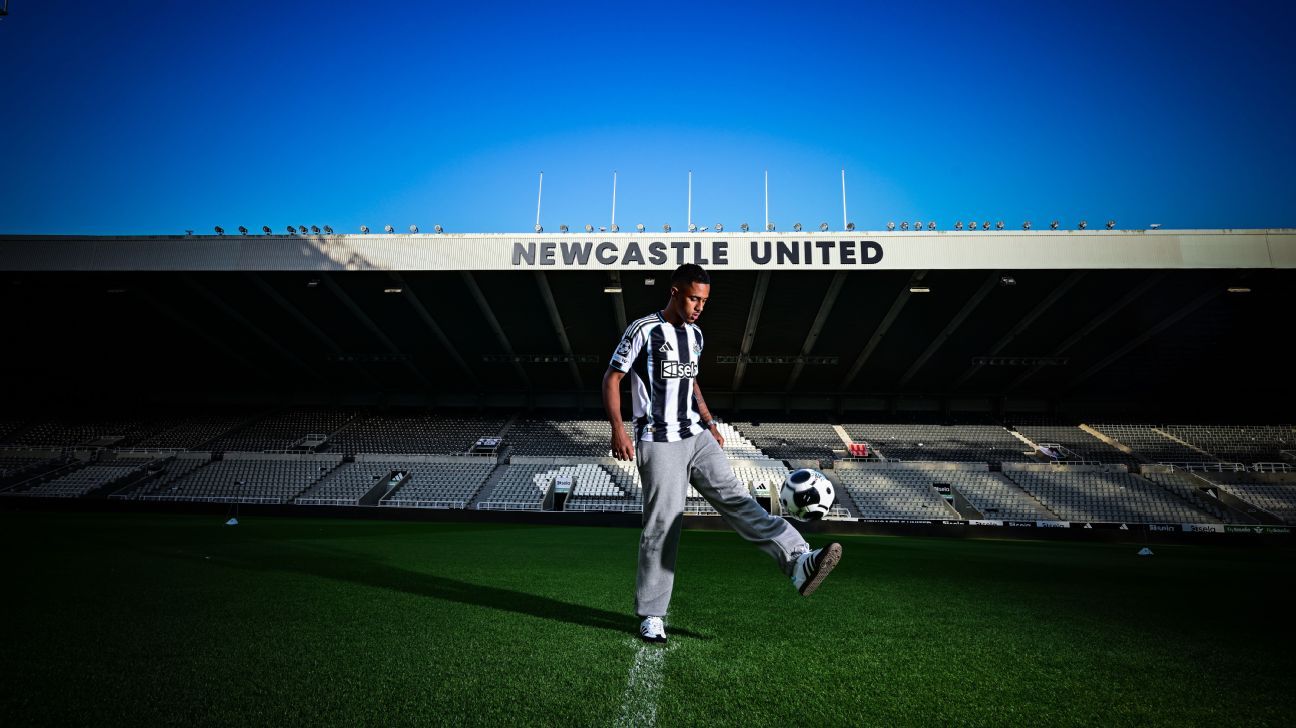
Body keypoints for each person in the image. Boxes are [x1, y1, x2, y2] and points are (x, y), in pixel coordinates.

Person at [601, 263, 841, 644]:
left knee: (739, 500)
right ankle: (652, 615)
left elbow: (691, 380)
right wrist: (617, 428)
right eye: (693, 299)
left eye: (704, 301)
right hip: (659, 440)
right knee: (662, 526)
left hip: (697, 436)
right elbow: (612, 377)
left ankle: (799, 560)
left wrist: (710, 422)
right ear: (675, 292)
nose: (700, 307)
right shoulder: (643, 330)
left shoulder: (696, 335)